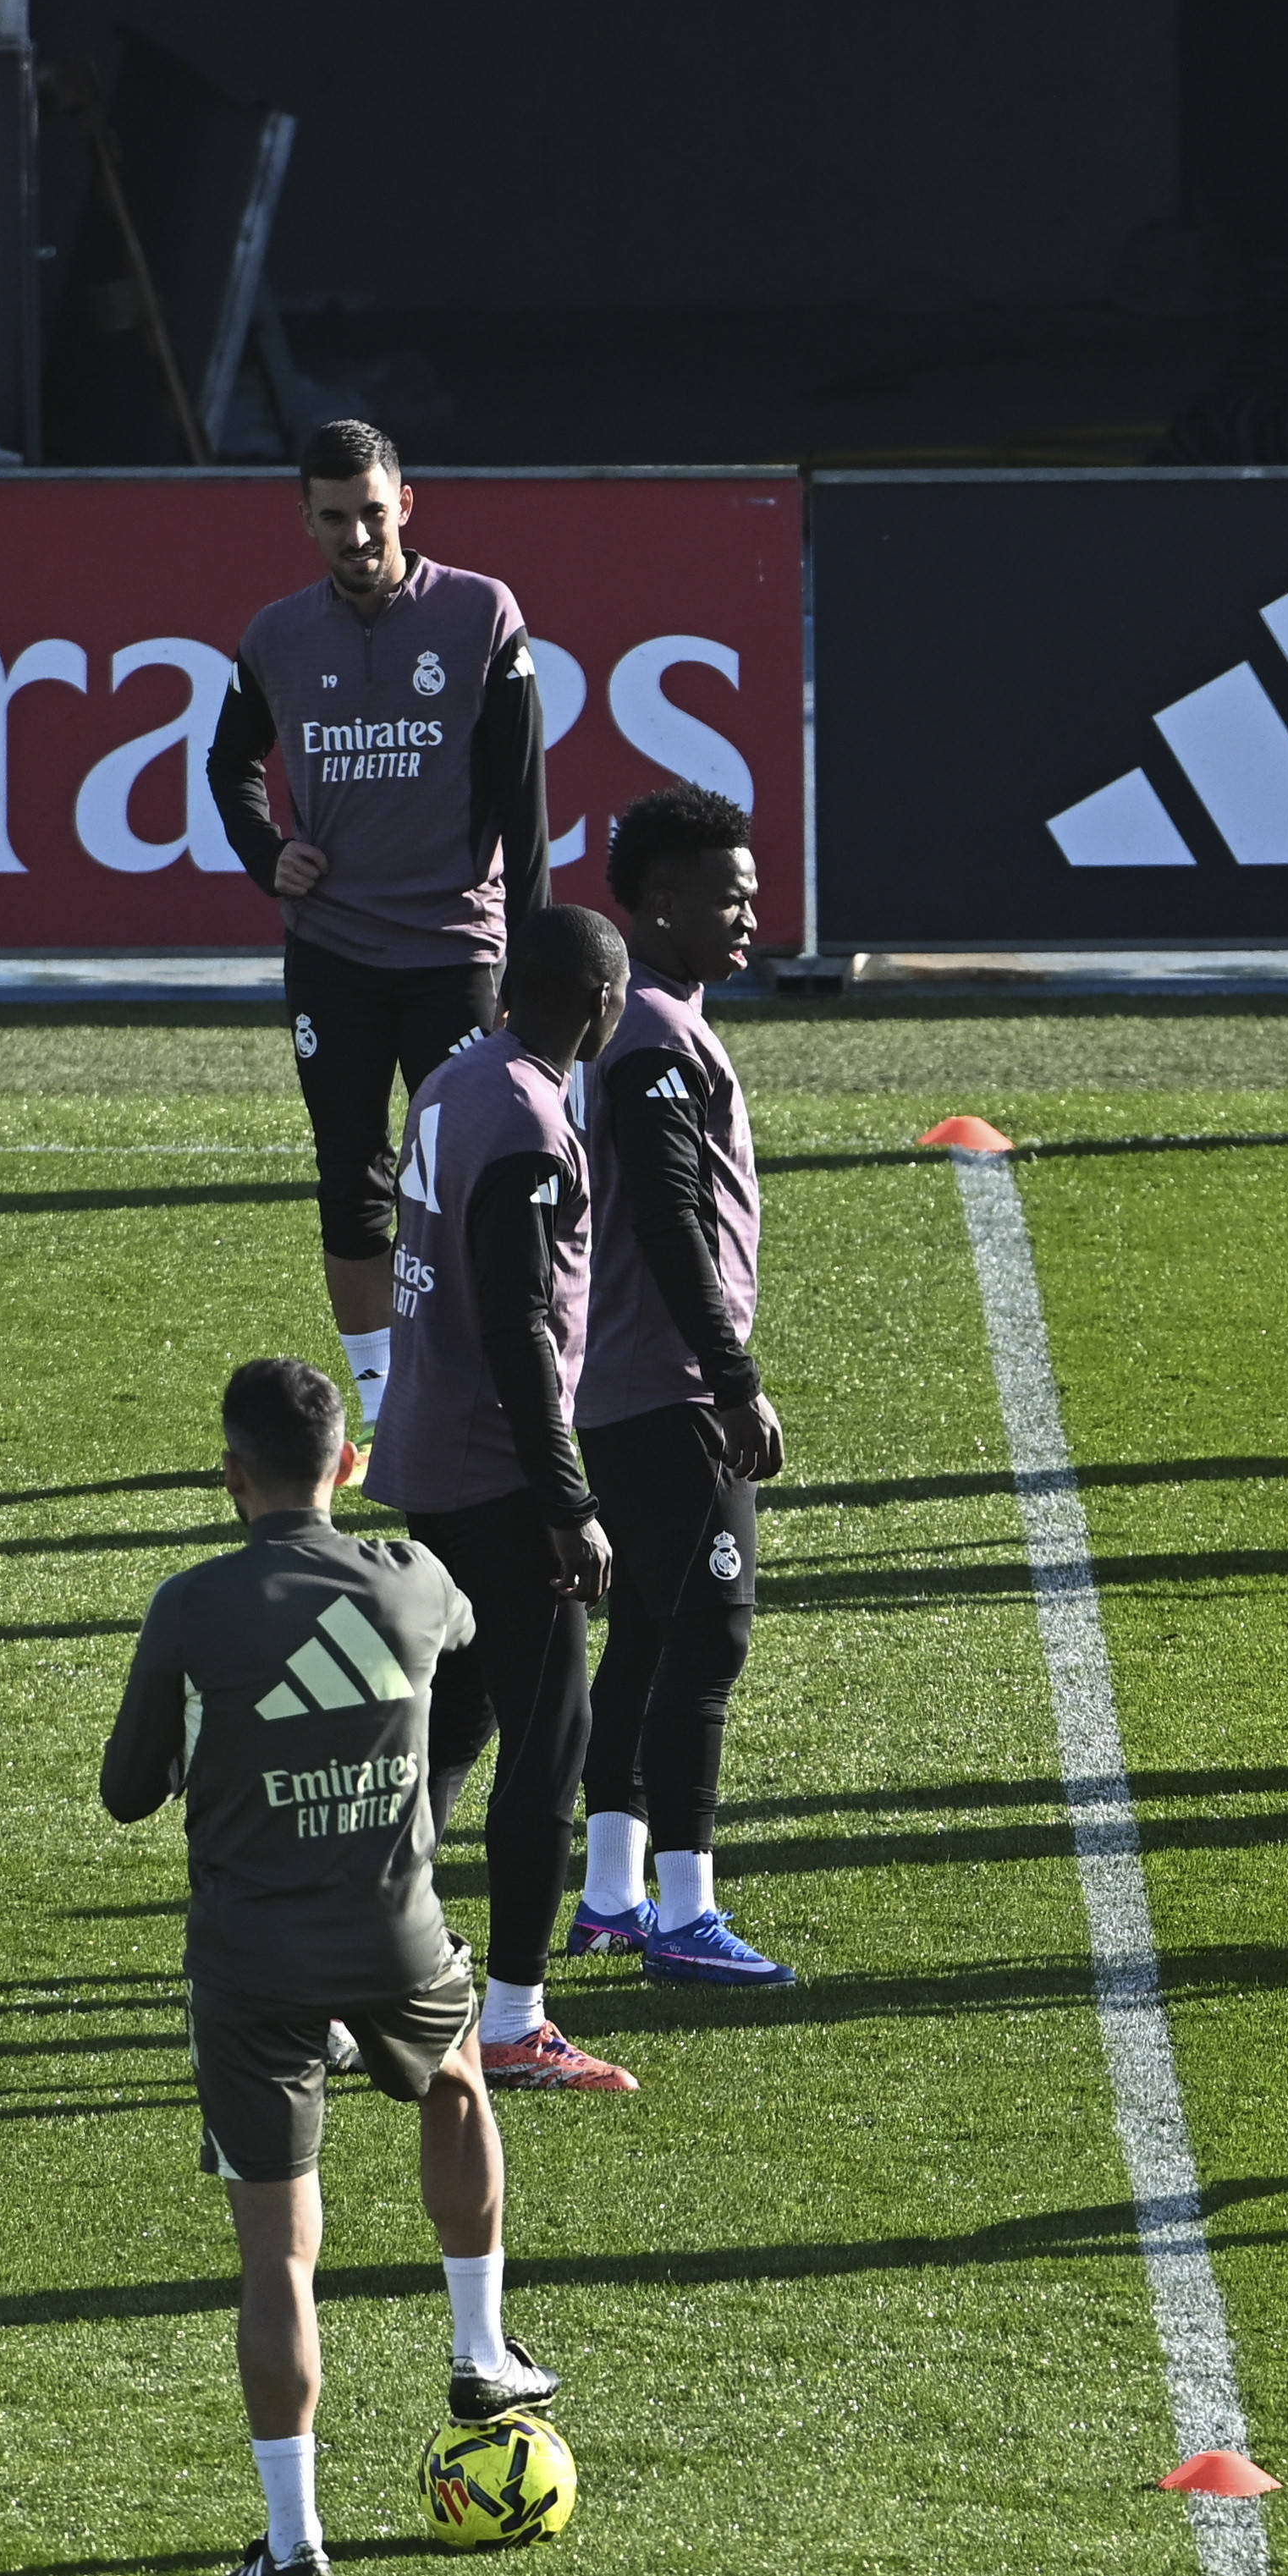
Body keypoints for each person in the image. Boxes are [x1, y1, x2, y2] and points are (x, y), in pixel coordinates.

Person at [102, 1359, 568, 2576]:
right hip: (395, 1935)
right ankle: (479, 2350)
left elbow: (126, 1790)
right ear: (348, 1463)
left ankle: (294, 2538)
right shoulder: (413, 1579)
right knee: (458, 2076)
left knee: (280, 2253)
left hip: (251, 1962)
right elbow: (466, 1648)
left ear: (230, 1475)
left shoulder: (191, 1606)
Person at [207, 418, 549, 1441]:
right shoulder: (276, 636)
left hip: (456, 950)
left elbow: (524, 803)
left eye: (371, 513)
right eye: (334, 518)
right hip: (334, 956)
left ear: (404, 503)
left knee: (468, 1185)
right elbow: (228, 762)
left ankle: (482, 1391)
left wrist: (527, 966)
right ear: (304, 519)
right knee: (349, 1181)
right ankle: (384, 1407)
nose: (356, 536)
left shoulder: (481, 612)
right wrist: (267, 854)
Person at [364, 905, 637, 2099]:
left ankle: (367, 1977)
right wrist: (566, 1497)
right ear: (601, 1003)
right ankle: (517, 2017)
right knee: (550, 1737)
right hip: (495, 1470)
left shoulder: (454, 1078)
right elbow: (519, 1320)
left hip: (432, 1449)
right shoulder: (528, 1117)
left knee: (456, 1725)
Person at [565, 788, 795, 1994]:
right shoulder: (654, 1035)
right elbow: (667, 1221)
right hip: (666, 1390)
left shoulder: (649, 1019)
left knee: (649, 1636)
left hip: (623, 1382)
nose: (750, 916)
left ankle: (611, 1897)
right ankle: (686, 1914)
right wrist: (733, 1378)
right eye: (727, 899)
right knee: (708, 1636)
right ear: (659, 904)